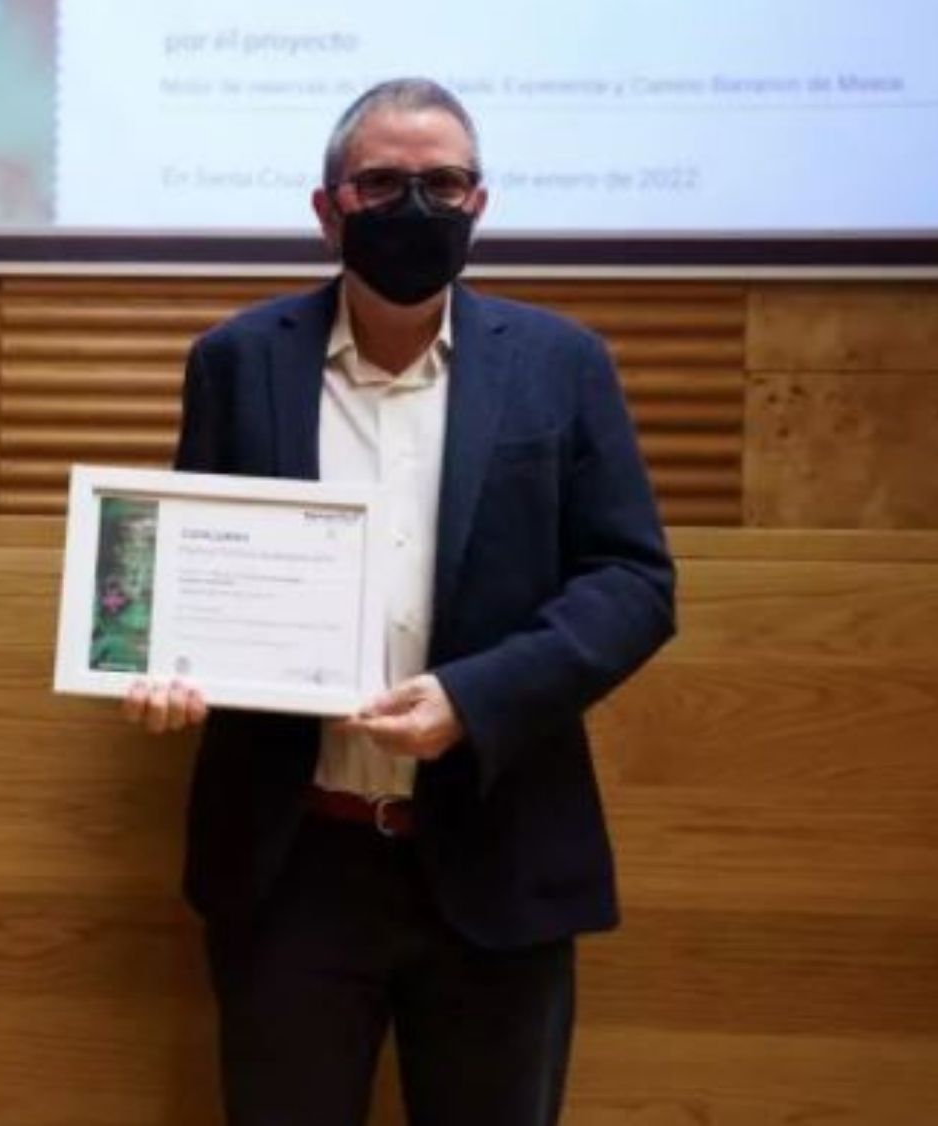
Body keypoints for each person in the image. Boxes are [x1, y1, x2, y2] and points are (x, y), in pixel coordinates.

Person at [122, 78, 676, 1125]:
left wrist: (472, 699)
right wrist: (167, 663)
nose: (414, 207)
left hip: (500, 852)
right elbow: (194, 571)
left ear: (478, 203)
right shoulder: (237, 361)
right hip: (293, 864)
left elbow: (632, 581)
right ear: (327, 209)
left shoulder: (561, 365)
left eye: (442, 184)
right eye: (381, 184)